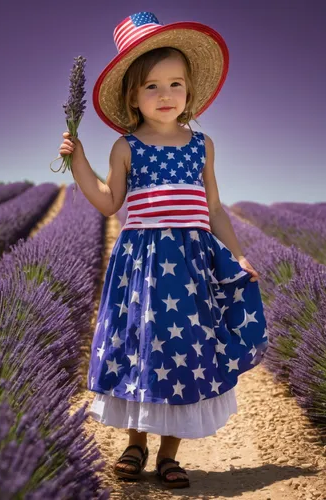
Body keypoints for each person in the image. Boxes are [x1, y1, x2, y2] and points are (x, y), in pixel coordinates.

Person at [59, 11, 269, 489]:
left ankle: (170, 455)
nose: (166, 94)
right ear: (133, 96)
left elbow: (213, 207)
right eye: (152, 86)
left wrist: (236, 256)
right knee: (141, 348)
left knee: (186, 351)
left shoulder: (202, 145)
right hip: (143, 265)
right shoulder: (126, 146)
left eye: (176, 83)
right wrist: (78, 160)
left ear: (190, 91)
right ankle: (135, 443)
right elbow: (110, 202)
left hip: (193, 264)